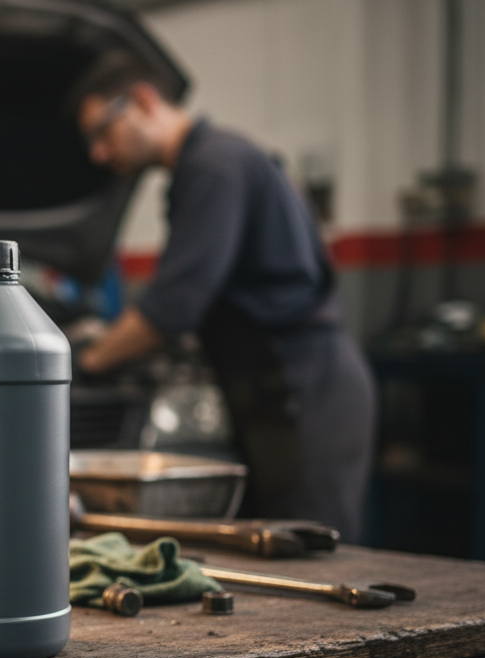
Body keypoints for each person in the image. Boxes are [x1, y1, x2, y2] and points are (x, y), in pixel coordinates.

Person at [68, 55, 376, 543]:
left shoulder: (214, 168)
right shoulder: (212, 164)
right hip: (275, 386)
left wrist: (87, 361)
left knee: (311, 548)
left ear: (144, 101)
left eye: (102, 132)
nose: (99, 154)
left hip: (302, 388)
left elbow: (170, 309)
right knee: (271, 544)